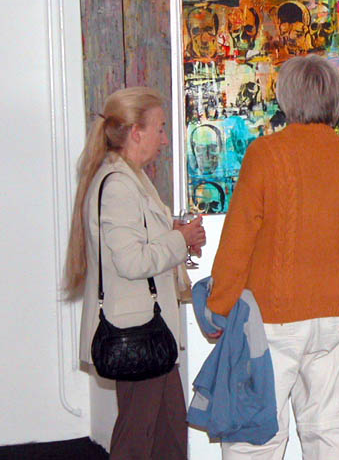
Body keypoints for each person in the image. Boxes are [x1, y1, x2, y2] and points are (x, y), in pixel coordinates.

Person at [206, 54, 339, 459]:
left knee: (256, 437)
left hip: (273, 318)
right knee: (329, 432)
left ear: (286, 99)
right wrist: (334, 234)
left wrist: (218, 307)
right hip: (336, 315)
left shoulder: (265, 154)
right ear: (335, 101)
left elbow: (238, 240)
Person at [63, 87, 207, 459]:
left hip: (147, 332)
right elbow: (130, 262)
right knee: (139, 439)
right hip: (137, 332)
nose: (165, 139)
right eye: (160, 128)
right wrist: (179, 239)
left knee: (167, 435)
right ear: (136, 132)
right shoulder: (119, 185)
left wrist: (173, 231)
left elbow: (135, 242)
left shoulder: (129, 179)